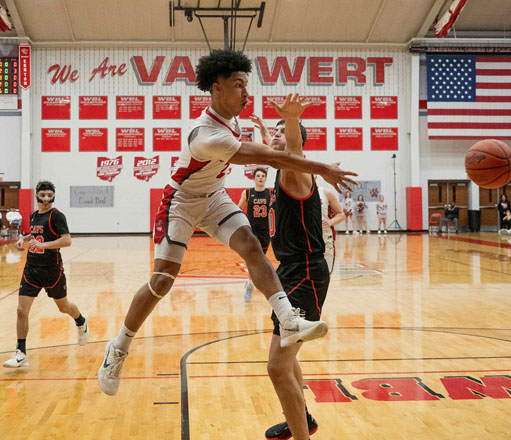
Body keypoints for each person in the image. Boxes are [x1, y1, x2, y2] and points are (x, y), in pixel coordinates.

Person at [97, 50, 357, 396]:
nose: (246, 93)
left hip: (215, 197)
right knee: (161, 281)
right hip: (182, 202)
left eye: (246, 84)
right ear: (216, 88)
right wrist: (322, 168)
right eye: (238, 85)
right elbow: (270, 157)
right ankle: (118, 347)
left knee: (251, 245)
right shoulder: (206, 135)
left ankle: (288, 319)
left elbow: (271, 151)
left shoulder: (231, 121)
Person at [262, 99, 329, 440]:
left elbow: (292, 147)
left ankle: (301, 432)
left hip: (305, 272)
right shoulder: (280, 170)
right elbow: (277, 147)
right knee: (287, 358)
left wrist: (291, 119)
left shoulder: (294, 170)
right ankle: (300, 416)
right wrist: (268, 130)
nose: (273, 137)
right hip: (288, 271)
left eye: (280, 133)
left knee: (277, 367)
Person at [3, 181, 89, 368]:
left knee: (63, 307)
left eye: (50, 195)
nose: (46, 199)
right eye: (43, 195)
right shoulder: (34, 216)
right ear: (37, 196)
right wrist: (22, 238)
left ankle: (81, 320)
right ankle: (20, 353)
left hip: (52, 270)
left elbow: (67, 241)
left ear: (54, 196)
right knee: (21, 310)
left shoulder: (57, 216)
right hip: (31, 269)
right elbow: (34, 234)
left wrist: (43, 245)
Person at [237, 167, 272, 302]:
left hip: (265, 231)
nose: (260, 178)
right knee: (252, 259)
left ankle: (250, 283)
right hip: (251, 231)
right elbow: (239, 209)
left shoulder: (270, 194)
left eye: (263, 176)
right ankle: (250, 286)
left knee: (260, 260)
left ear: (265, 178)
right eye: (258, 176)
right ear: (254, 178)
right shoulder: (247, 193)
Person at [318, 185, 345, 274]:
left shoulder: (326, 193)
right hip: (304, 241)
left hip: (325, 238)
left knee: (326, 274)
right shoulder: (297, 192)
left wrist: (330, 222)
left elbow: (341, 214)